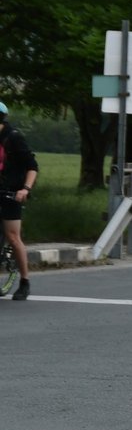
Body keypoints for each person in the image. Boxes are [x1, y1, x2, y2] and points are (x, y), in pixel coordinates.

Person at [0, 102, 39, 301]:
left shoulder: (13, 138)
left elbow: (32, 166)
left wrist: (25, 189)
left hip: (11, 193)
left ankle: (24, 282)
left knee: (13, 237)